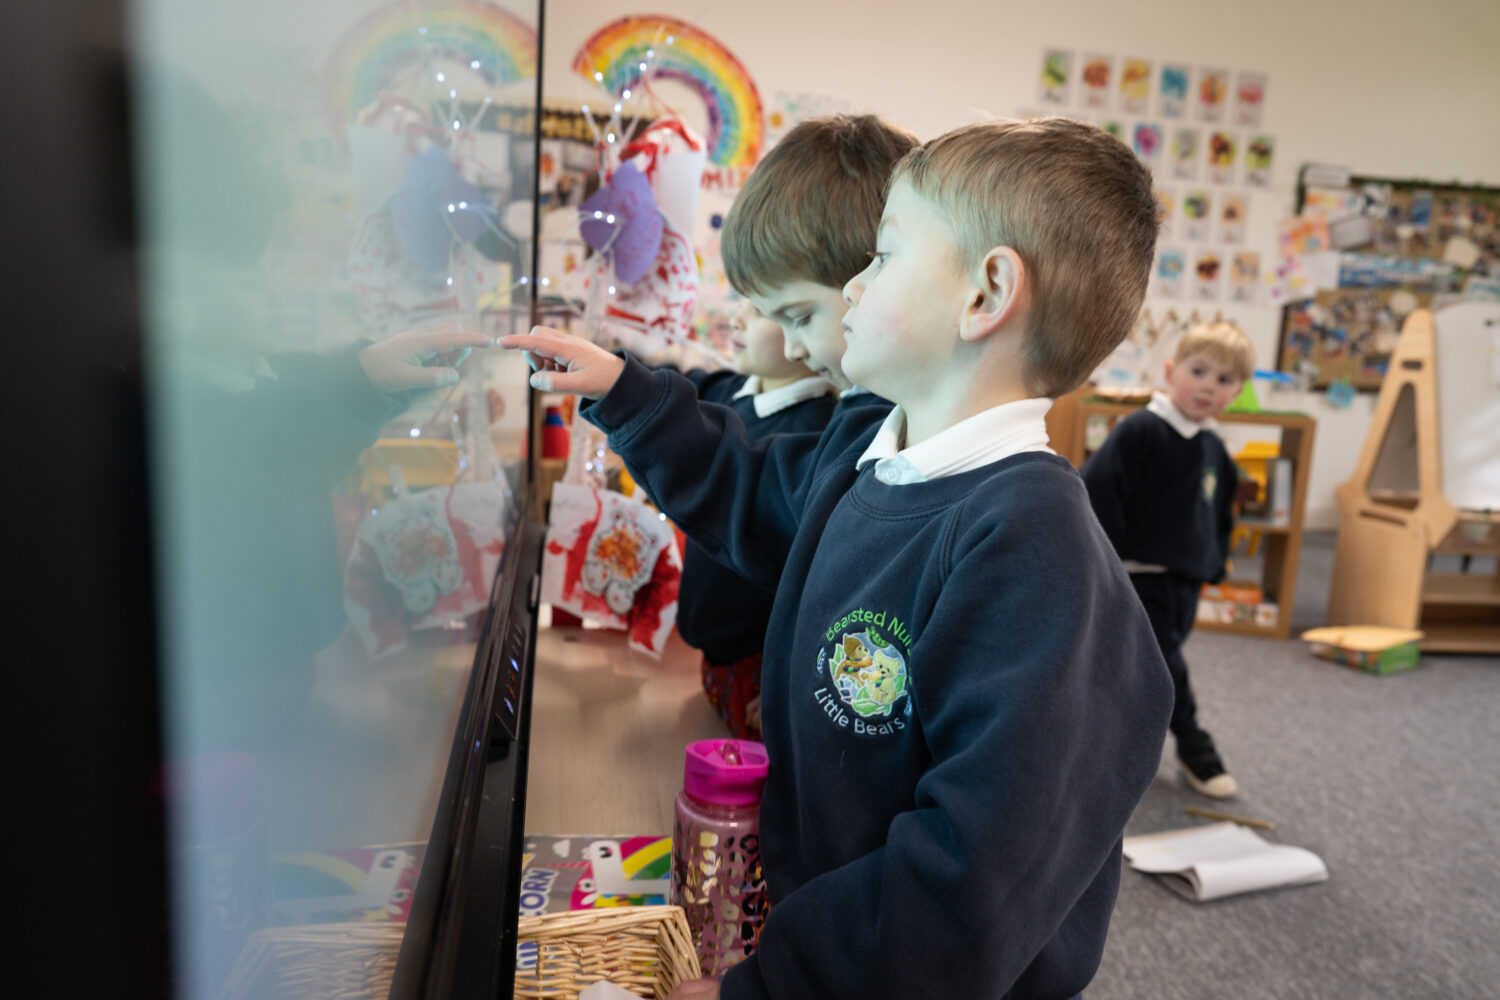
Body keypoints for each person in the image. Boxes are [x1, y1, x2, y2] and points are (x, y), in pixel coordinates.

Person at [502, 117, 1173, 999]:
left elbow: (969, 882)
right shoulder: (874, 460)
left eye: (885, 257)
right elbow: (748, 491)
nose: (853, 285)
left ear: (986, 295)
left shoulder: (1034, 553)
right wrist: (627, 394)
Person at [1081, 320, 1254, 799]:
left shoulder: (1213, 446)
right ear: (1171, 370)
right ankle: (1196, 746)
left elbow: (1218, 512)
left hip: (1184, 582)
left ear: (1237, 391)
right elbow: (1097, 493)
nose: (1208, 386)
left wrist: (1214, 562)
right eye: (1199, 371)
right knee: (1165, 668)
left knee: (1138, 668)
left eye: (1224, 380)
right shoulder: (1141, 430)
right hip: (1139, 579)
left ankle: (1104, 744)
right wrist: (1107, 565)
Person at [672, 299, 836, 737]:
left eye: (763, 307)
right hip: (713, 663)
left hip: (765, 676)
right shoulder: (732, 393)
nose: (736, 318)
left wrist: (794, 676)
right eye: (738, 300)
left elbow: (821, 577)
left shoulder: (816, 432)